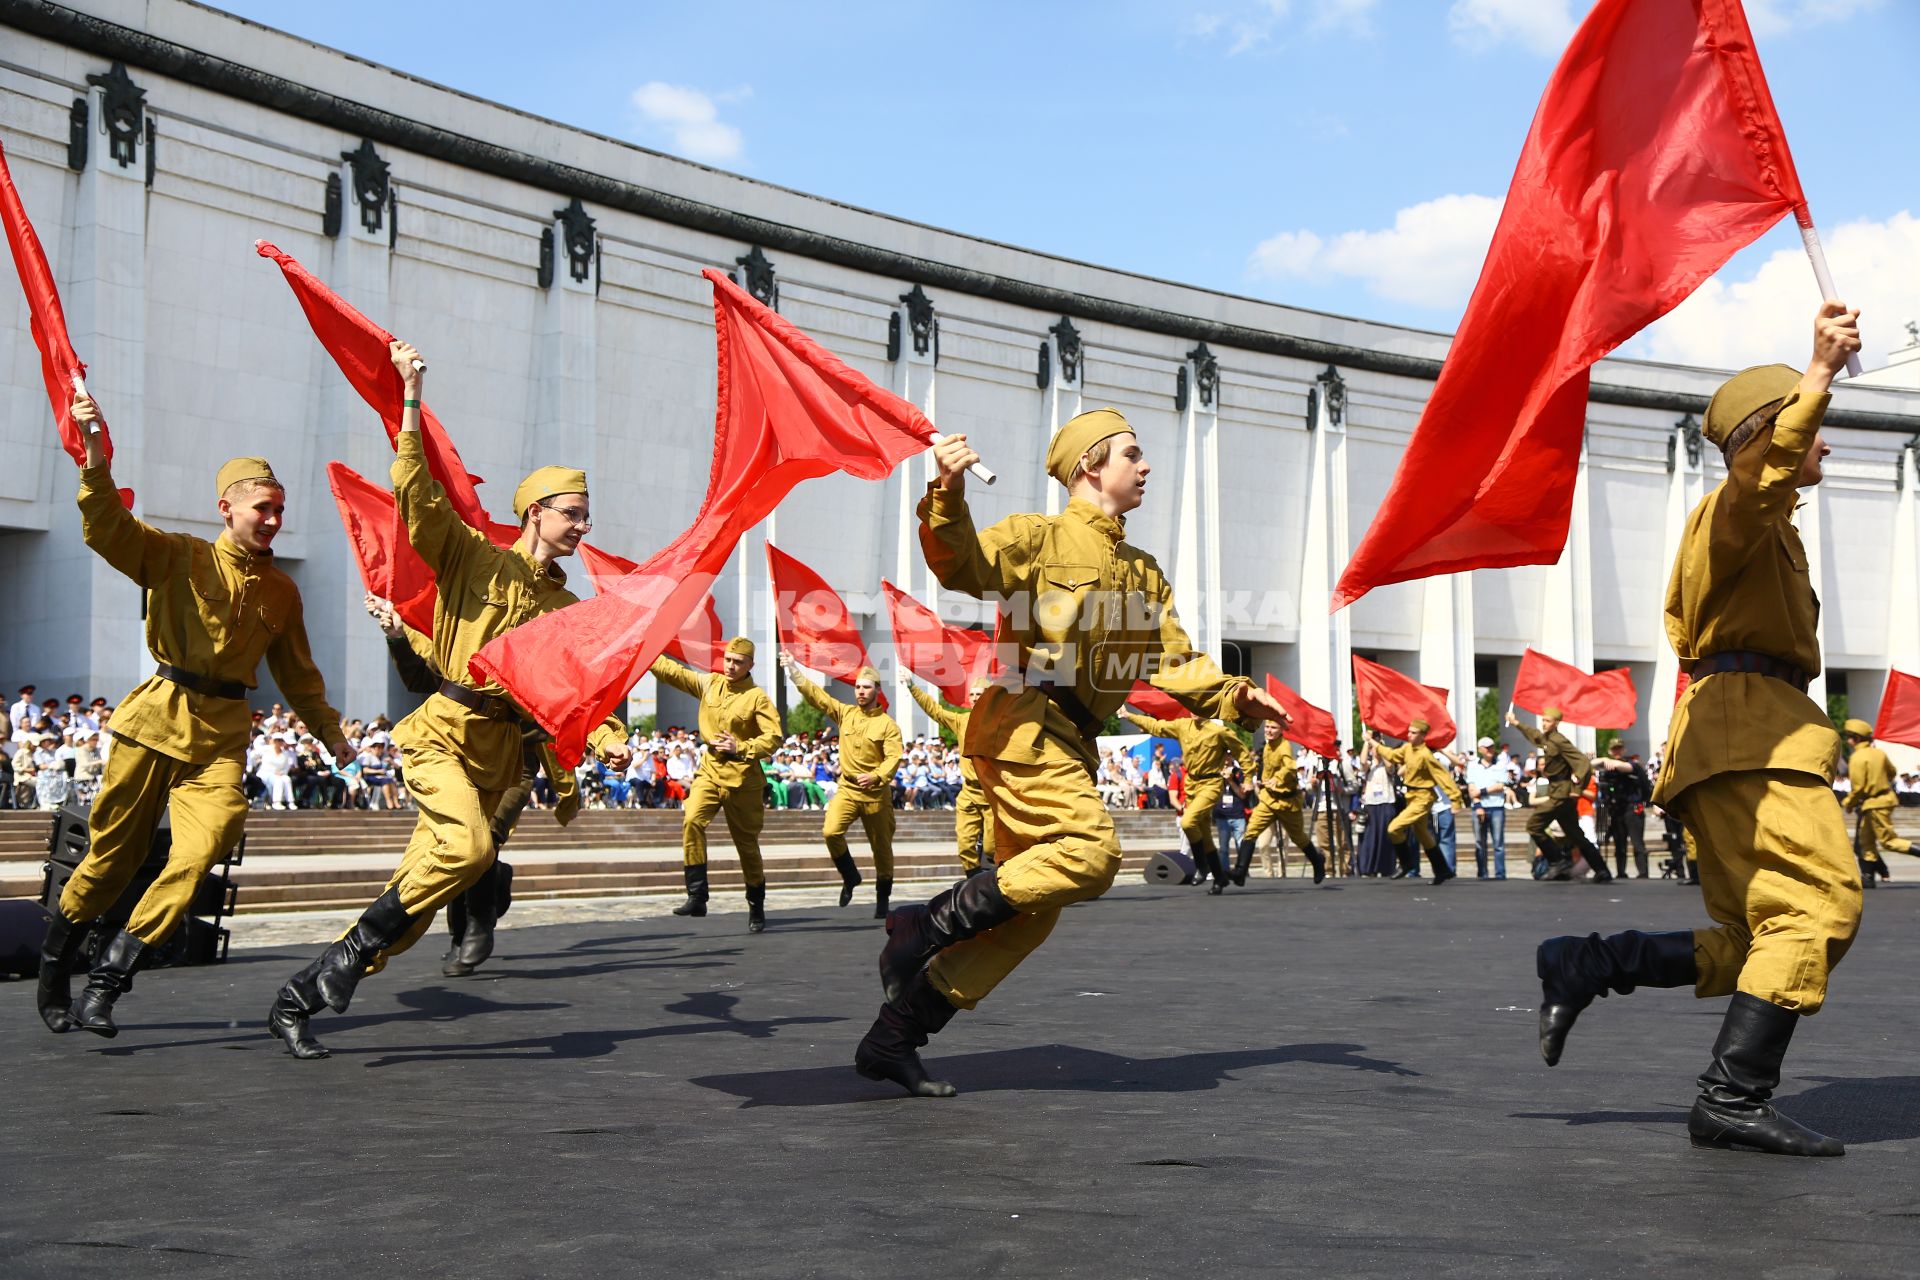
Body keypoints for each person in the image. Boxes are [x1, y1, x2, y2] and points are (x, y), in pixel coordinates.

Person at [856, 408, 1289, 1096]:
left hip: (1069, 740)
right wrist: (947, 491)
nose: (1145, 467)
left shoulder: (1143, 572)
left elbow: (1172, 661)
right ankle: (924, 923)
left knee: (1031, 914)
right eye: (1132, 455)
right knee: (1090, 855)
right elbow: (959, 564)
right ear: (1091, 466)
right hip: (1023, 721)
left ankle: (894, 1036)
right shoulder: (1039, 536)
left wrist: (1237, 695)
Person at [1535, 300, 1864, 1157]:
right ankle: (1732, 1096)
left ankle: (1591, 963)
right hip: (1752, 736)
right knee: (1817, 906)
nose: (1824, 439)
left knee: (1748, 937)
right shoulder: (1737, 512)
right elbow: (1767, 470)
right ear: (1769, 430)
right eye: (1809, 423)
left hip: (1741, 734)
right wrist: (1819, 372)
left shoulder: (1762, 530)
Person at [266, 340, 630, 1059]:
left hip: (496, 754)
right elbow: (416, 493)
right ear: (533, 512)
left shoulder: (566, 604)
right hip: (441, 733)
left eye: (587, 516)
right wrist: (409, 398)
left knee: (415, 907)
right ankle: (340, 966)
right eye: (573, 514)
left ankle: (300, 994)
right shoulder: (472, 556)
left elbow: (574, 690)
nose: (584, 527)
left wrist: (610, 736)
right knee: (467, 849)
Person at [38, 390, 348, 1038]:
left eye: (280, 511)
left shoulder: (282, 592)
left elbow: (299, 676)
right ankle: (55, 965)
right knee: (109, 865)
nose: (272, 520)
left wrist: (331, 738)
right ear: (226, 508)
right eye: (263, 508)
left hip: (220, 738)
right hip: (155, 721)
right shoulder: (177, 554)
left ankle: (110, 977)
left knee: (207, 842)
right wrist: (94, 455)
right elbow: (105, 528)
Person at [366, 593, 565, 976]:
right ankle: (460, 932)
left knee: (483, 839)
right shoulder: (466, 639)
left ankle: (479, 920)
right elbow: (422, 676)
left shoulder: (539, 639)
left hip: (514, 763)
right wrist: (395, 635)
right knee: (459, 844)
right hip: (464, 755)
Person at [651, 639, 782, 932]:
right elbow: (674, 673)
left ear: (750, 665)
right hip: (709, 771)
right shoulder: (710, 683)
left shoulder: (757, 698)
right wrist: (645, 651)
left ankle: (755, 904)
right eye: (728, 660)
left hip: (743, 779)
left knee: (746, 845)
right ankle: (697, 895)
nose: (731, 666)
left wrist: (743, 746)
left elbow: (773, 737)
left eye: (737, 662)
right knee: (692, 821)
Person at [783, 656, 904, 919]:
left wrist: (877, 776)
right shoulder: (845, 713)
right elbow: (819, 697)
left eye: (866, 687)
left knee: (881, 848)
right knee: (830, 832)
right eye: (858, 687)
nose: (861, 691)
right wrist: (794, 672)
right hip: (847, 789)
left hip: (875, 794)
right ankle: (850, 876)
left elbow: (894, 757)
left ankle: (882, 897)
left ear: (877, 691)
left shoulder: (888, 726)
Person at [1120, 706, 1256, 895]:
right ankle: (1219, 878)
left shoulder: (1220, 731)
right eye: (1192, 705)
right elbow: (1156, 726)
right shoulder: (1183, 726)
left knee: (1187, 821)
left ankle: (1202, 866)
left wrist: (1248, 779)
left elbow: (1242, 754)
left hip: (1211, 783)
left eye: (1200, 706)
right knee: (1205, 835)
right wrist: (1129, 716)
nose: (1195, 710)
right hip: (1192, 784)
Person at [1508, 707, 1606, 882]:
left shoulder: (1559, 741)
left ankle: (1557, 860)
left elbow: (1583, 762)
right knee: (1575, 834)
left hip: (1561, 794)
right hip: (1558, 792)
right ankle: (1601, 869)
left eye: (1548, 721)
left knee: (1533, 825)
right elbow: (1534, 734)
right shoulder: (1548, 738)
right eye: (1543, 720)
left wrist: (1577, 790)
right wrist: (1516, 723)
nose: (1544, 723)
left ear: (1556, 723)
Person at [910, 679, 997, 874]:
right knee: (965, 845)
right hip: (969, 792)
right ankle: (973, 885)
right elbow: (935, 711)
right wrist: (912, 687)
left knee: (992, 848)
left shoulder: (1001, 723)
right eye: (972, 695)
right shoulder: (961, 721)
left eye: (979, 694)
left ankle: (996, 877)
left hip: (992, 793)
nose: (975, 698)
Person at [1365, 721, 1461, 886]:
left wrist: (1455, 799)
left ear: (1423, 736)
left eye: (1414, 733)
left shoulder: (1425, 755)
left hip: (1423, 797)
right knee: (1423, 834)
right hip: (1411, 796)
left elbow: (1442, 777)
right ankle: (1442, 870)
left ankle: (1406, 863)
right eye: (1409, 732)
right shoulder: (1407, 749)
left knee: (1394, 829)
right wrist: (1372, 741)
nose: (1409, 735)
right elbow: (1392, 755)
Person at [1236, 719, 1326, 884]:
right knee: (1251, 831)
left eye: (1273, 728)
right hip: (1268, 799)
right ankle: (1240, 871)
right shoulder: (1268, 745)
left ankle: (1317, 861)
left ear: (1281, 730)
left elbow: (1290, 766)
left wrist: (1278, 778)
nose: (1269, 730)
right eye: (1267, 727)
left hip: (1287, 802)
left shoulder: (1284, 746)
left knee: (1298, 837)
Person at [1839, 718, 1902, 887]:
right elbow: (1892, 772)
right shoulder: (1879, 753)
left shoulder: (1857, 757)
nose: (1848, 740)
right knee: (1865, 841)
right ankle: (1868, 878)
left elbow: (1858, 787)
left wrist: (1848, 803)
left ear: (1857, 738)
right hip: (1882, 799)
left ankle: (1870, 876)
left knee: (1889, 841)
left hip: (1874, 803)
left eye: (1849, 737)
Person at [1595, 739, 1653, 878]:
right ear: (1610, 751)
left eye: (1619, 749)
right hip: (1616, 809)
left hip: (1632, 808)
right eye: (1614, 749)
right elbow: (1590, 764)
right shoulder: (1607, 767)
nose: (1617, 752)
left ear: (1624, 750)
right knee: (1619, 844)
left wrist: (1614, 763)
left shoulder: (1632, 764)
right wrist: (1603, 759)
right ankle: (1621, 872)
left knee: (1637, 843)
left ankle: (1643, 873)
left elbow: (1629, 768)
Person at [1467, 737, 1515, 879]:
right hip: (1480, 807)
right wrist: (1478, 805)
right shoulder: (1473, 765)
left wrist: (1482, 792)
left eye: (1492, 747)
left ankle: (1500, 873)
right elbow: (1471, 787)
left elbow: (1501, 785)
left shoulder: (1500, 764)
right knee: (1479, 842)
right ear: (1480, 749)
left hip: (1496, 806)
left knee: (1498, 843)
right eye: (1486, 748)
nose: (1489, 750)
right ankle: (1482, 872)